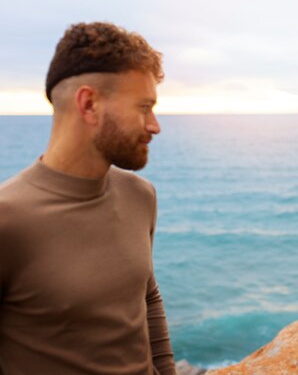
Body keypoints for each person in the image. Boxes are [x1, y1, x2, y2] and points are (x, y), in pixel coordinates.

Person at [0, 22, 175, 374]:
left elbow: (147, 299)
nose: (154, 125)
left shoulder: (140, 195)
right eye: (144, 106)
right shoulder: (9, 221)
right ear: (89, 103)